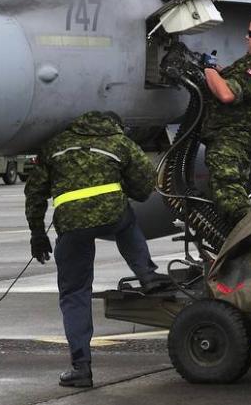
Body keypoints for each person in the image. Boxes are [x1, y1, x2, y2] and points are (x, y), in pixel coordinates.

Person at [25, 110, 171, 388]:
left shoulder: (55, 145)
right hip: (112, 215)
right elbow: (146, 183)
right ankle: (147, 275)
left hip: (71, 225)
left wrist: (37, 234)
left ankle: (81, 368)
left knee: (74, 294)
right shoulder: (119, 142)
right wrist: (125, 190)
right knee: (126, 222)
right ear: (114, 124)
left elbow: (34, 193)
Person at [201, 13, 251, 225]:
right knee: (223, 193)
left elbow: (227, 94)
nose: (247, 37)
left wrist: (209, 70)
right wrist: (218, 71)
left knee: (230, 198)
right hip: (229, 135)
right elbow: (235, 79)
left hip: (235, 137)